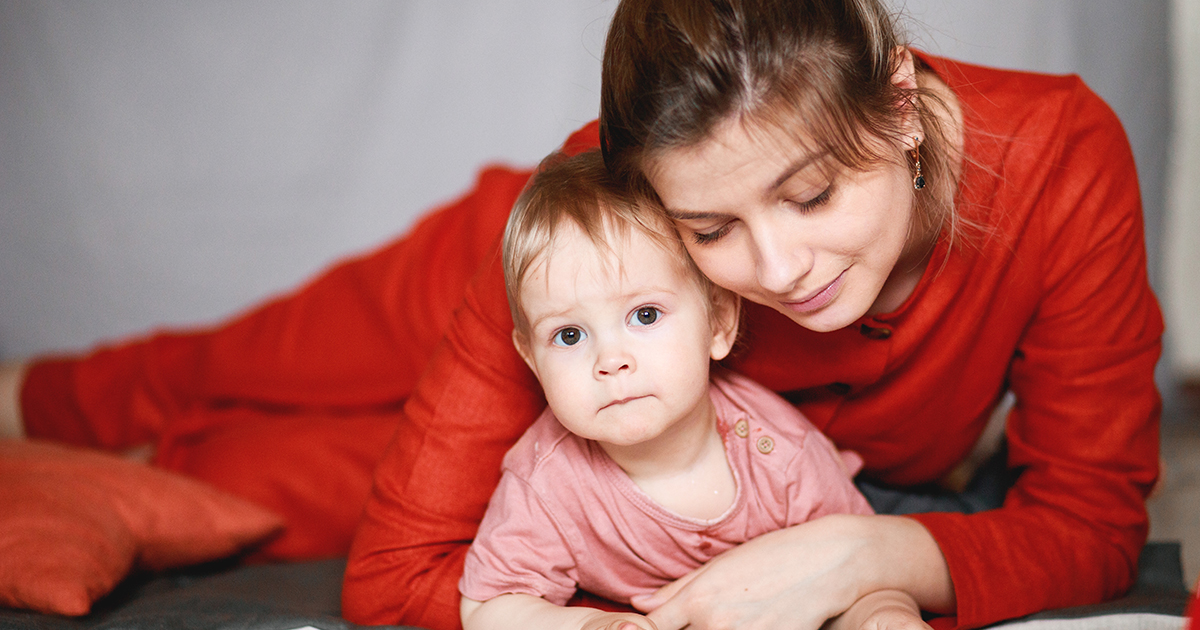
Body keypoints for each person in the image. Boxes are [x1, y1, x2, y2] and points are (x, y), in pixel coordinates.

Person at [0, 0, 1162, 628]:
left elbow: (1095, 524)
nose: (777, 269)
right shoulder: (592, 229)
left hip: (611, 459)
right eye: (707, 231)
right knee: (226, 362)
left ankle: (143, 464)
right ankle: (27, 398)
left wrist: (860, 553)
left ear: (901, 103)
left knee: (262, 489)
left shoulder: (1060, 160)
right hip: (534, 304)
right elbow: (404, 575)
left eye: (812, 193)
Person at [458, 149, 920, 630]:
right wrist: (587, 627)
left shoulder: (779, 453)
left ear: (719, 322)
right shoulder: (547, 481)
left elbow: (859, 567)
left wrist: (881, 614)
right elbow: (489, 605)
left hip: (861, 491)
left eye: (645, 315)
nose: (610, 362)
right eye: (569, 335)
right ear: (532, 359)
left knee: (915, 521)